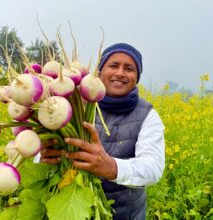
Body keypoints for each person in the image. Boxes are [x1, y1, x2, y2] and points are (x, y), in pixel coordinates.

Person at [38, 43, 165, 220]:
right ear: (99, 72)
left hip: (124, 214)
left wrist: (112, 167)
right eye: (113, 65)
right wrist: (43, 156)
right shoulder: (71, 105)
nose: (120, 73)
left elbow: (153, 168)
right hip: (68, 205)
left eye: (129, 68)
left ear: (137, 78)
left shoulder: (147, 115)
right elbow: (46, 149)